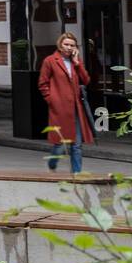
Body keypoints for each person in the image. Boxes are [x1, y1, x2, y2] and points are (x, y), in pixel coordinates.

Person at [38, 32, 95, 174]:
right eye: (66, 44)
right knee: (60, 144)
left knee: (76, 144)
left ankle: (76, 174)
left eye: (72, 45)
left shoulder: (76, 61)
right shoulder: (50, 61)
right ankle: (52, 162)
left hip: (76, 108)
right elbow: (43, 84)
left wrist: (77, 63)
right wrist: (52, 100)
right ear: (60, 45)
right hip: (60, 108)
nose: (69, 47)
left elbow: (86, 80)